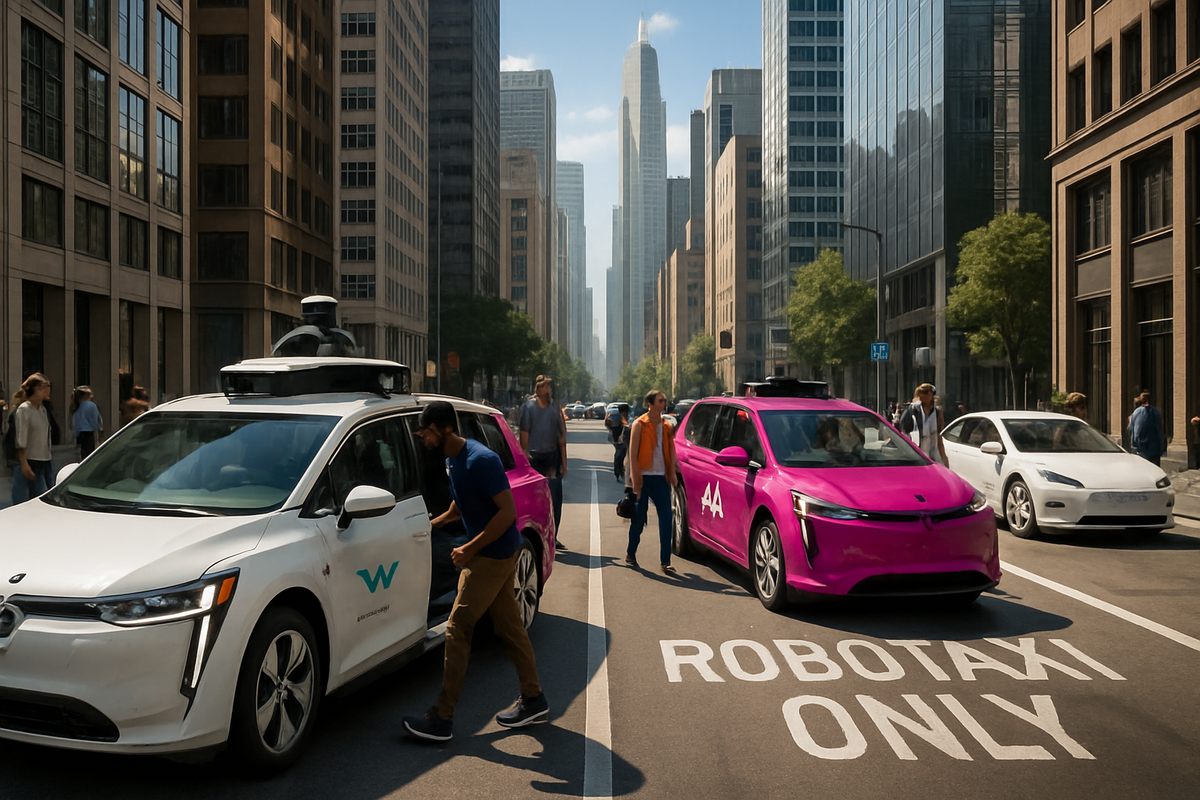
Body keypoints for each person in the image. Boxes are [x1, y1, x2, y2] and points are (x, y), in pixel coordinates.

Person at [402, 401, 547, 742]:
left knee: (457, 628)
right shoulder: (452, 460)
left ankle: (442, 716)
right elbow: (462, 501)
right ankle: (534, 698)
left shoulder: (481, 460)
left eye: (426, 433)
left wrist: (469, 548)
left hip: (491, 556)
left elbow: (507, 513)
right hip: (493, 553)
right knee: (510, 627)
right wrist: (435, 523)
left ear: (444, 429)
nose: (424, 440)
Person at [626, 389, 678, 574]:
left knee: (666, 517)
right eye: (660, 400)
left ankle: (666, 561)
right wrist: (635, 482)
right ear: (650, 404)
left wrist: (673, 474)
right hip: (642, 477)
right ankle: (631, 553)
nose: (664, 403)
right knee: (639, 520)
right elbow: (632, 455)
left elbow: (671, 452)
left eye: (664, 400)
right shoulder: (639, 424)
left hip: (660, 477)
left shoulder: (667, 426)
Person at [519, 376, 568, 549]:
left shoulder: (555, 408)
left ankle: (553, 537)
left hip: (552, 459)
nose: (547, 389)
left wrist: (564, 461)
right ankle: (537, 536)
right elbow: (524, 434)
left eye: (549, 386)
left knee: (555, 500)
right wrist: (524, 458)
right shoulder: (528, 408)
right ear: (538, 389)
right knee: (535, 501)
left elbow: (561, 437)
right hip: (534, 459)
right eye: (544, 386)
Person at [13, 373, 56, 504]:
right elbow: (21, 438)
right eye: (43, 387)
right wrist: (24, 463)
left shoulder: (43, 410)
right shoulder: (25, 409)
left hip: (44, 461)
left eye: (48, 386)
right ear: (34, 390)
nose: (47, 390)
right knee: (24, 500)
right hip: (29, 461)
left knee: (44, 498)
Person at [898, 383, 949, 467]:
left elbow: (939, 437)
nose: (923, 397)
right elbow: (904, 431)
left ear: (931, 395)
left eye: (926, 394)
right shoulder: (913, 411)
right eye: (922, 394)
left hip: (933, 455)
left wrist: (944, 459)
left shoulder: (937, 413)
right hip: (917, 455)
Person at [1128, 391, 1164, 466]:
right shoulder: (1155, 412)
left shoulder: (1136, 412)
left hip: (1139, 447)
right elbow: (1159, 429)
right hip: (1153, 447)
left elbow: (1131, 429)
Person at [71, 386, 104, 459]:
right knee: (90, 455)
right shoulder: (91, 405)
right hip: (89, 433)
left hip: (79, 434)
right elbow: (94, 420)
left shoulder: (76, 406)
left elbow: (74, 422)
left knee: (82, 455)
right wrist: (99, 429)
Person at [606, 403, 630, 482]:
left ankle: (619, 471)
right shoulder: (620, 418)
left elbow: (608, 425)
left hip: (618, 438)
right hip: (620, 439)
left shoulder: (616, 417)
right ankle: (619, 471)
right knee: (620, 455)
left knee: (620, 455)